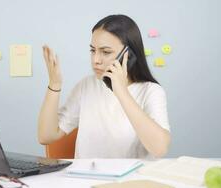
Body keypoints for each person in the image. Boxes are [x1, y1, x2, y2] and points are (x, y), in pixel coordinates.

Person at [38, 14, 170, 158]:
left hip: (131, 180)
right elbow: (45, 136)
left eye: (105, 52)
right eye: (93, 50)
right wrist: (54, 84)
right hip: (85, 179)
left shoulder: (151, 91)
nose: (96, 60)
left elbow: (159, 149)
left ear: (129, 55)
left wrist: (121, 91)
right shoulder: (86, 86)